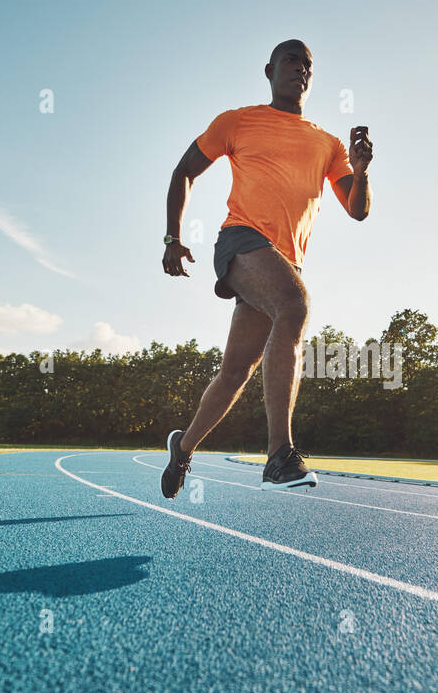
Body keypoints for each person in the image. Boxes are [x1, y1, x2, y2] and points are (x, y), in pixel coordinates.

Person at [159, 39, 373, 498]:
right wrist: (173, 237)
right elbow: (184, 171)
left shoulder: (328, 143)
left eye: (308, 64)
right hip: (241, 240)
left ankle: (183, 447)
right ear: (270, 70)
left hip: (281, 262)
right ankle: (280, 456)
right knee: (294, 307)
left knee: (235, 371)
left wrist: (361, 170)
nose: (300, 69)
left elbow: (357, 210)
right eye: (291, 60)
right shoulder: (237, 121)